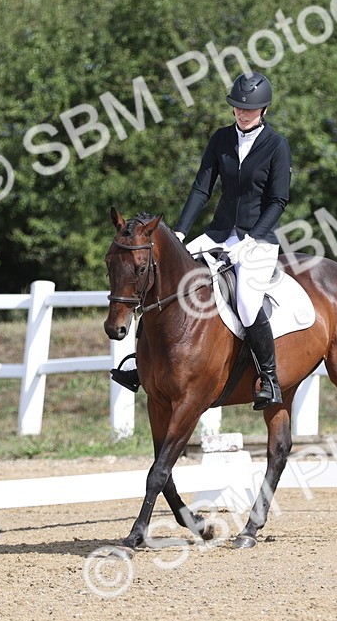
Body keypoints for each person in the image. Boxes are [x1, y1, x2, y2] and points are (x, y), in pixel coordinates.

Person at [110, 72, 292, 410]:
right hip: (218, 232)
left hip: (259, 239)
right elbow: (201, 189)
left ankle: (268, 377)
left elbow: (278, 200)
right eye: (238, 108)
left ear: (264, 109)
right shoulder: (221, 139)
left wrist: (250, 241)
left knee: (248, 302)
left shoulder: (277, 145)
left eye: (249, 110)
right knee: (159, 279)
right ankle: (140, 365)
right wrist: (179, 233)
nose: (242, 114)